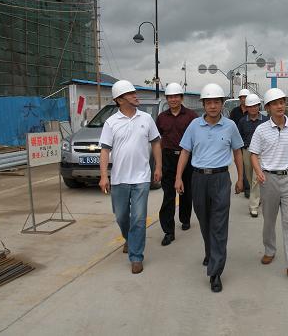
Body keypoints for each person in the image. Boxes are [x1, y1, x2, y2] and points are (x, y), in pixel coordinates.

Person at [175, 83, 244, 293]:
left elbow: (238, 152)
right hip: (198, 179)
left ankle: (215, 272)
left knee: (219, 225)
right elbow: (185, 152)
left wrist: (241, 178)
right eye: (208, 102)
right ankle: (210, 252)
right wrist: (178, 177)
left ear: (222, 104)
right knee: (204, 221)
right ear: (203, 104)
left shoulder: (230, 126)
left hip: (221, 179)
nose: (212, 106)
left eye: (216, 102)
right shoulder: (194, 126)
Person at [99, 80, 162, 274]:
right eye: (131, 93)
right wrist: (104, 176)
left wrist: (158, 167)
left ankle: (136, 256)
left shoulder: (146, 119)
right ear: (120, 100)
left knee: (139, 218)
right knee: (121, 217)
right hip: (119, 178)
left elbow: (156, 143)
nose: (136, 96)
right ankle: (129, 238)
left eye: (135, 92)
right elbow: (105, 150)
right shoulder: (111, 123)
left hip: (142, 177)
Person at [250, 88, 288, 278]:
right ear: (268, 107)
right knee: (269, 220)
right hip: (269, 179)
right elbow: (253, 154)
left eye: (282, 102)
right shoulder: (261, 130)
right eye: (275, 103)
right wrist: (259, 172)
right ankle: (269, 250)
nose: (279, 106)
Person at [156, 83, 198, 246]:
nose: (173, 99)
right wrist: (158, 165)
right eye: (170, 97)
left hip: (186, 157)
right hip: (168, 158)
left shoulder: (191, 116)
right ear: (166, 99)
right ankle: (168, 231)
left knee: (186, 191)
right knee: (168, 195)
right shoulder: (161, 118)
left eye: (176, 96)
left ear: (181, 98)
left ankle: (185, 218)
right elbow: (157, 139)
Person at [237, 94, 268, 217]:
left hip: (261, 153)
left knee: (256, 178)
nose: (253, 108)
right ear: (247, 107)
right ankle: (257, 197)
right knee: (250, 178)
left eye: (256, 106)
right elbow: (239, 137)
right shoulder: (242, 121)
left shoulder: (266, 120)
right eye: (250, 106)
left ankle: (253, 206)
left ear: (259, 106)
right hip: (247, 151)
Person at [230, 88, 251, 197]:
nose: (244, 99)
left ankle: (248, 188)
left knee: (248, 166)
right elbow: (230, 125)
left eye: (245, 97)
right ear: (239, 99)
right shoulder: (235, 111)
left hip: (248, 142)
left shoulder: (252, 110)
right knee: (240, 165)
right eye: (242, 97)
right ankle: (242, 183)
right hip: (237, 143)